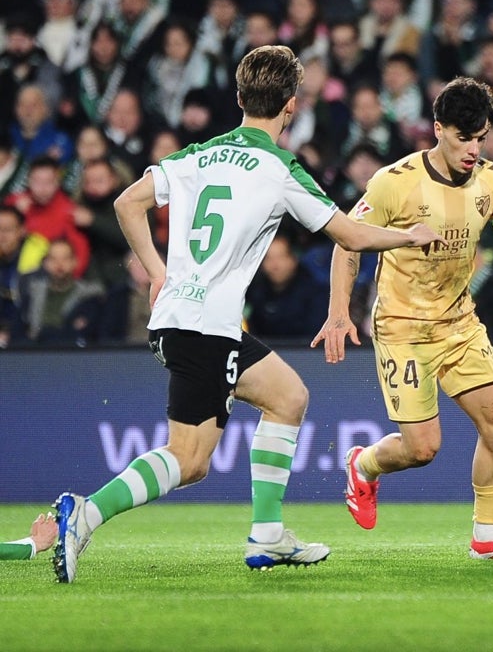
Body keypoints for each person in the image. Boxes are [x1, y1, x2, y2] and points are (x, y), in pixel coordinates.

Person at [50, 45, 444, 584]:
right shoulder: (279, 167)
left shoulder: (197, 154)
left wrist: (156, 269)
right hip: (206, 326)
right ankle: (85, 513)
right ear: (291, 106)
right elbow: (349, 234)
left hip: (185, 317)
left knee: (287, 396)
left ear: (238, 99)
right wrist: (410, 235)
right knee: (189, 459)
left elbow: (125, 203)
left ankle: (267, 534)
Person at [311, 76, 493, 559]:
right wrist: (339, 312)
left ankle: (486, 540)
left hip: (458, 323)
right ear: (438, 129)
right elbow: (348, 241)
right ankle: (363, 465)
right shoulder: (394, 182)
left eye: (481, 138)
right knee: (423, 449)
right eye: (463, 137)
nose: (473, 149)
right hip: (402, 329)